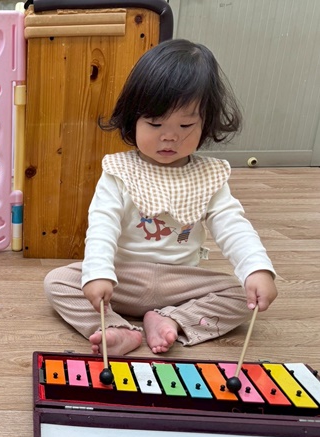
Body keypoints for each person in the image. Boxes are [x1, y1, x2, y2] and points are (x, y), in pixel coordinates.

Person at [44, 39, 277, 356]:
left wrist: (257, 269)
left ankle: (170, 320)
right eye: (155, 124)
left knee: (243, 296)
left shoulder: (210, 176)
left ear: (206, 122)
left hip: (181, 283)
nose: (169, 136)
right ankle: (116, 328)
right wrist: (97, 274)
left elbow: (233, 226)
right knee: (58, 282)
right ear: (133, 119)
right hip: (123, 278)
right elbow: (102, 226)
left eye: (186, 124)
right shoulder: (119, 171)